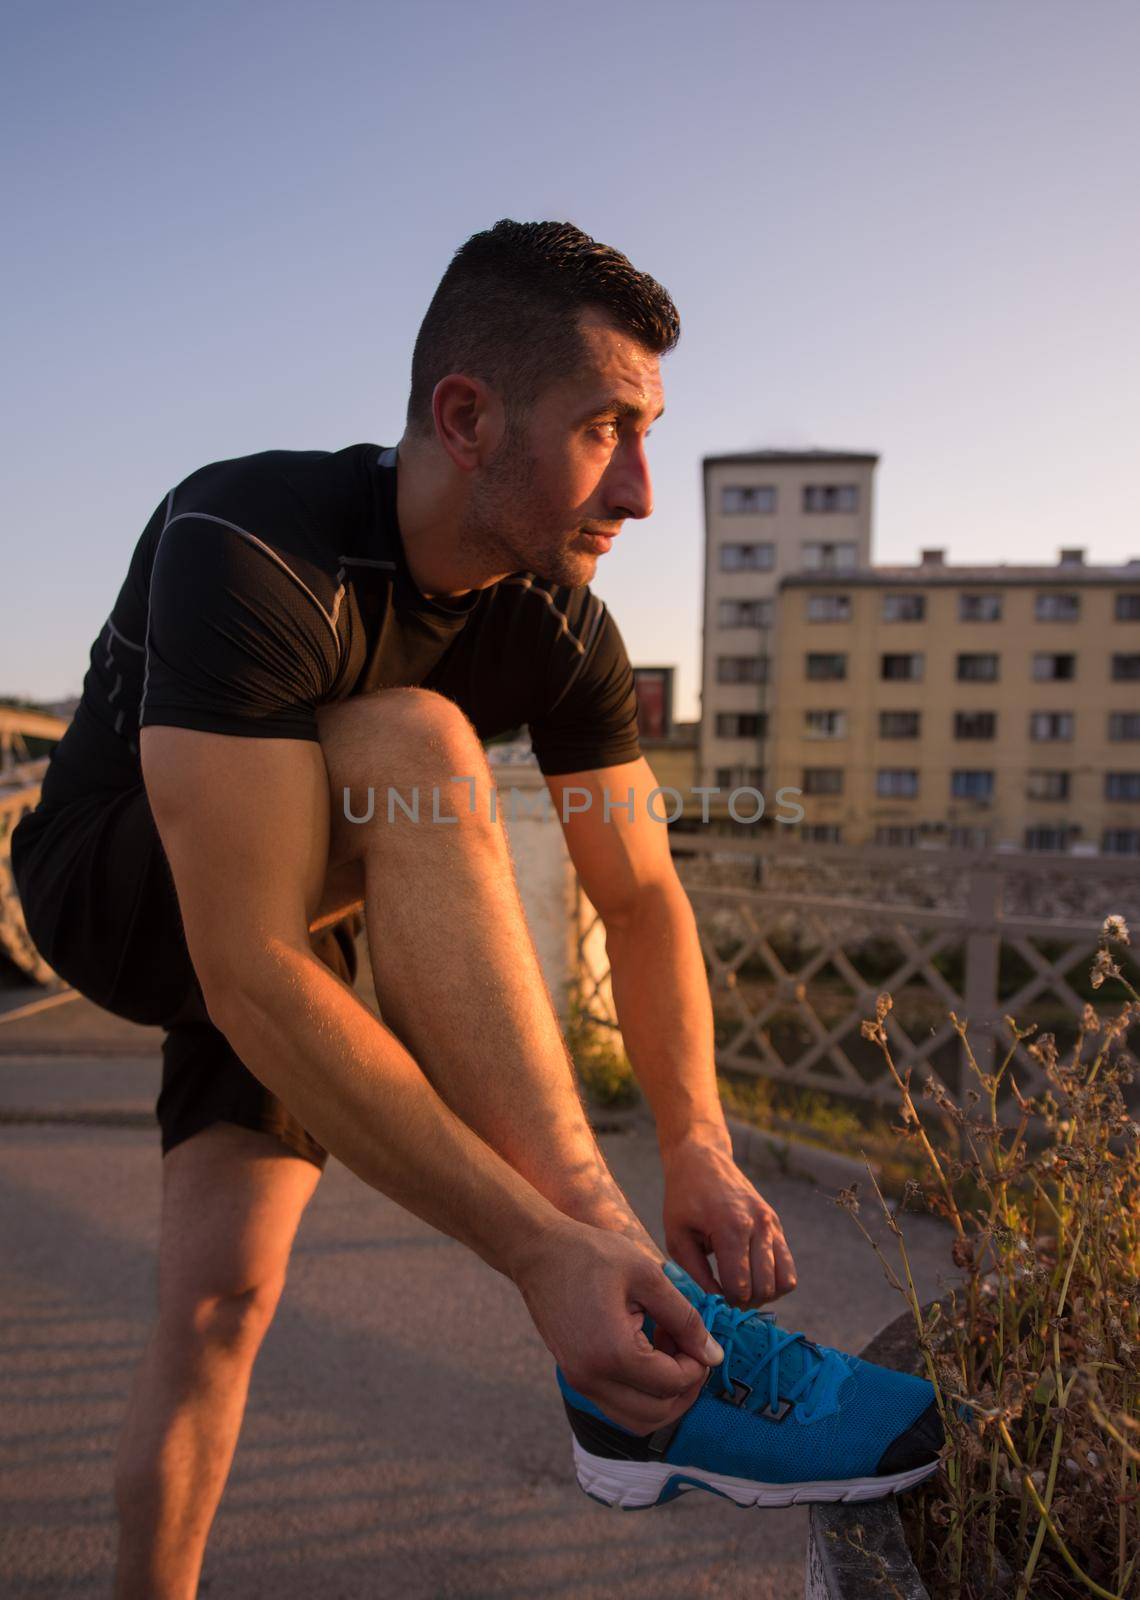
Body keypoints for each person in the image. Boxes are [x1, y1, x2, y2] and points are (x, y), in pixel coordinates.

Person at [11, 219, 941, 1599]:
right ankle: (634, 1340)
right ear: (466, 417)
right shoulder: (250, 539)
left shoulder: (563, 623)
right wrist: (543, 1251)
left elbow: (636, 898)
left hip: (297, 918)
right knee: (419, 742)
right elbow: (247, 960)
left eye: (652, 434)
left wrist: (695, 1142)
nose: (637, 485)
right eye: (606, 429)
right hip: (127, 888)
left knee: (218, 1310)